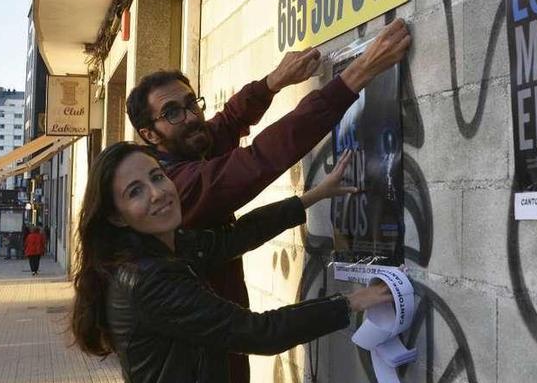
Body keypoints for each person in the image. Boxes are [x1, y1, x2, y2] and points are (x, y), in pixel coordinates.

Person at [125, 19, 409, 382]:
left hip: (221, 353)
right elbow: (256, 161)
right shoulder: (175, 188)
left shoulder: (181, 153)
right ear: (149, 134)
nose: (193, 118)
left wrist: (273, 82)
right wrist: (352, 79)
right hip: (206, 361)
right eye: (173, 113)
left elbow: (224, 128)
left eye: (191, 104)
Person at [71, 142, 391, 383]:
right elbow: (259, 332)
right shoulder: (150, 279)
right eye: (135, 192)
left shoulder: (168, 246)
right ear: (116, 216)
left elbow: (236, 237)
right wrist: (351, 302)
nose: (157, 193)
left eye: (157, 177)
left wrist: (314, 196)